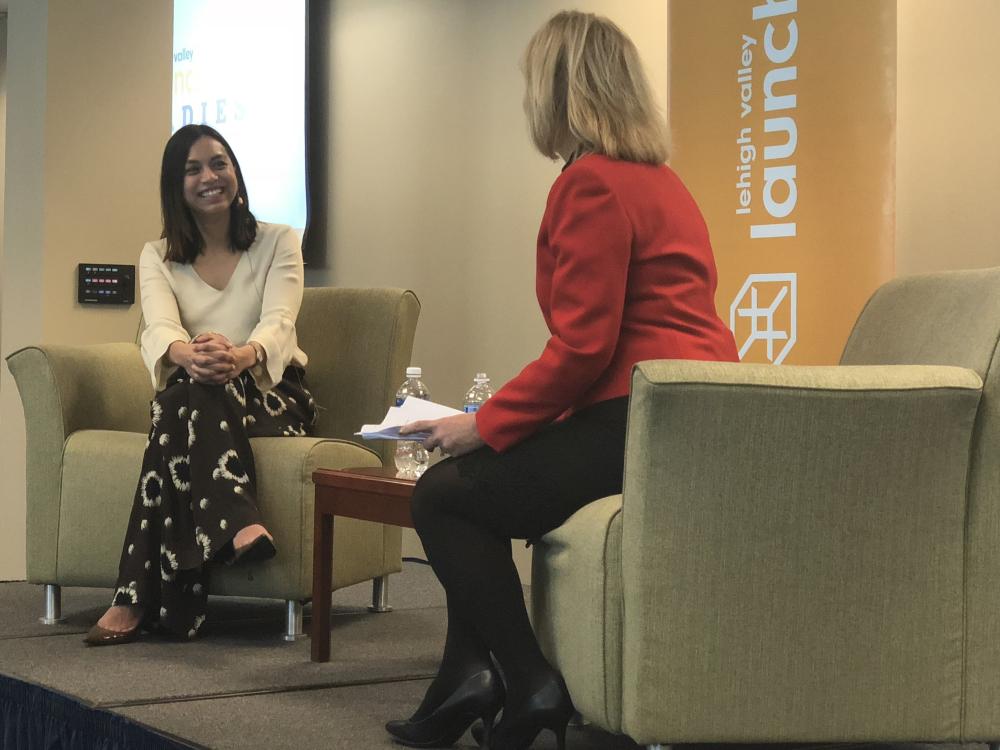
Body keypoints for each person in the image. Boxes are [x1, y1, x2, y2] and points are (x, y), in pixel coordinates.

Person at [385, 10, 740, 750]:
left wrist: (481, 422)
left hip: (637, 421)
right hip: (681, 416)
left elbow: (583, 347)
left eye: (528, 85)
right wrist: (511, 424)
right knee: (475, 483)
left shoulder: (591, 185)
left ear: (557, 89)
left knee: (443, 498)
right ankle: (463, 678)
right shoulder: (660, 181)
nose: (525, 102)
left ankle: (529, 678)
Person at [84, 124, 315, 646]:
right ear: (176, 185)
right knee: (187, 395)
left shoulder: (279, 240)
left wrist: (241, 355)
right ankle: (237, 524)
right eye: (193, 169)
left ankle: (135, 597)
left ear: (235, 172)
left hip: (275, 393)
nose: (210, 177)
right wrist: (190, 353)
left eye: (219, 163)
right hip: (199, 388)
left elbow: (280, 321)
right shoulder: (158, 255)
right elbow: (160, 328)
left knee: (180, 404)